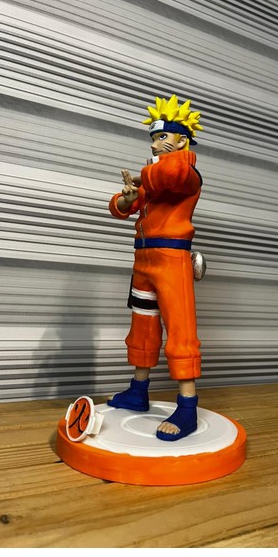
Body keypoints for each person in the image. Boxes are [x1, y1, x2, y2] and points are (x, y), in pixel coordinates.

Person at [107, 95, 204, 441]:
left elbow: (171, 173)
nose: (154, 144)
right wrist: (128, 196)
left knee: (180, 330)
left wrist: (144, 176)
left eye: (162, 137)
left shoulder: (185, 173)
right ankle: (138, 390)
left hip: (172, 260)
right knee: (143, 327)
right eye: (153, 138)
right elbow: (120, 208)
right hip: (144, 260)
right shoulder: (154, 177)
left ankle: (188, 406)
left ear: (182, 141)